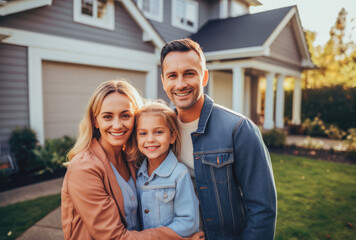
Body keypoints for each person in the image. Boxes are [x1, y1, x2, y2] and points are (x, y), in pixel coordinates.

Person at [160, 39, 277, 240]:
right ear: (163, 81)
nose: (180, 84)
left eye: (189, 73)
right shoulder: (158, 131)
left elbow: (262, 209)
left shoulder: (239, 129)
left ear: (204, 77)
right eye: (172, 76)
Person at [61, 80, 204, 239]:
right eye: (107, 116)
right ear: (95, 121)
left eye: (125, 115)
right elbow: (114, 237)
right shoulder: (84, 168)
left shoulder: (133, 160)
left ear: (136, 119)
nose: (117, 125)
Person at [132, 100, 199, 237]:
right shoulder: (137, 173)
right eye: (143, 133)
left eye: (158, 132)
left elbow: (188, 221)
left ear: (172, 137)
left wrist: (149, 236)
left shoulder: (179, 174)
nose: (150, 139)